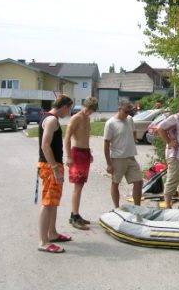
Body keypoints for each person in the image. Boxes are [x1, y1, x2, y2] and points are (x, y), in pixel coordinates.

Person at [37, 94, 73, 253]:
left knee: (53, 201)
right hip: (50, 166)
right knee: (48, 203)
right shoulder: (51, 120)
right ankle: (43, 241)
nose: (69, 112)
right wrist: (54, 167)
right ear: (64, 106)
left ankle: (52, 233)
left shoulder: (49, 117)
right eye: (69, 108)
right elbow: (45, 145)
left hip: (53, 165)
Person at [64, 97, 98, 230]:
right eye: (88, 109)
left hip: (85, 153)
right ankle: (74, 216)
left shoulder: (87, 118)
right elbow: (67, 138)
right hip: (76, 153)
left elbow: (86, 137)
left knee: (81, 185)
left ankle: (77, 215)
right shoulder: (76, 118)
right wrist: (68, 157)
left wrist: (89, 153)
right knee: (77, 187)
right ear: (84, 106)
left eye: (92, 111)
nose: (89, 112)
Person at [104, 100, 143, 208]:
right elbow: (106, 144)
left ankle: (137, 208)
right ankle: (117, 208)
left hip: (131, 157)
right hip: (118, 158)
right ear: (119, 109)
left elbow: (134, 131)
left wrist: (132, 141)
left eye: (129, 112)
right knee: (115, 183)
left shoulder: (130, 119)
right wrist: (109, 164)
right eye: (126, 112)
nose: (127, 114)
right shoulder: (110, 123)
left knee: (139, 181)